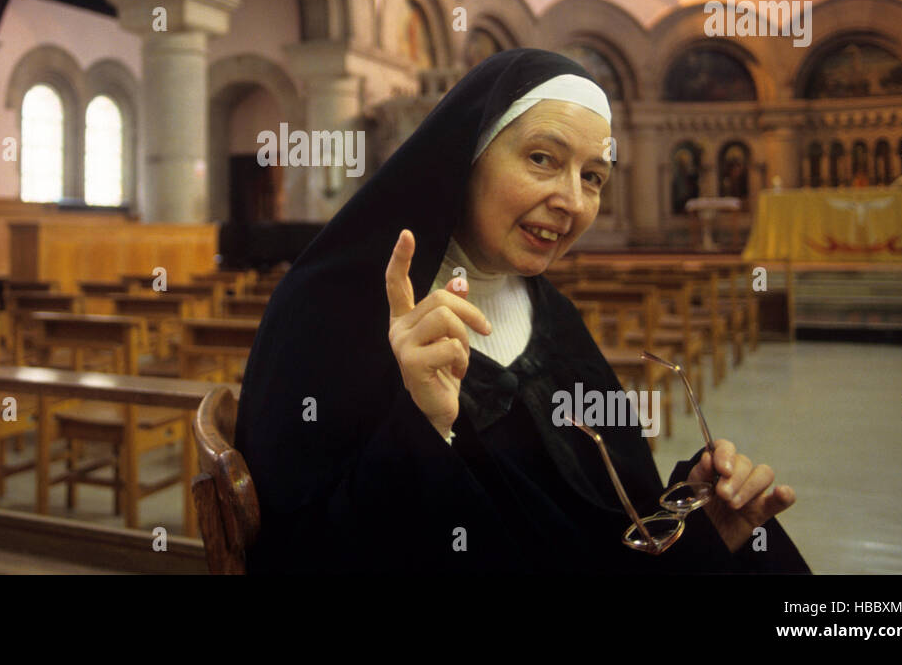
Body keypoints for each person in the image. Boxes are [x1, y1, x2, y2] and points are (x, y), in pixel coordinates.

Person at [234, 49, 808, 573]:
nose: (572, 201)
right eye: (542, 158)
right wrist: (422, 428)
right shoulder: (329, 311)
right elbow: (301, 554)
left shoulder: (554, 318)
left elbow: (607, 520)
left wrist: (696, 520)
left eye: (593, 177)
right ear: (468, 155)